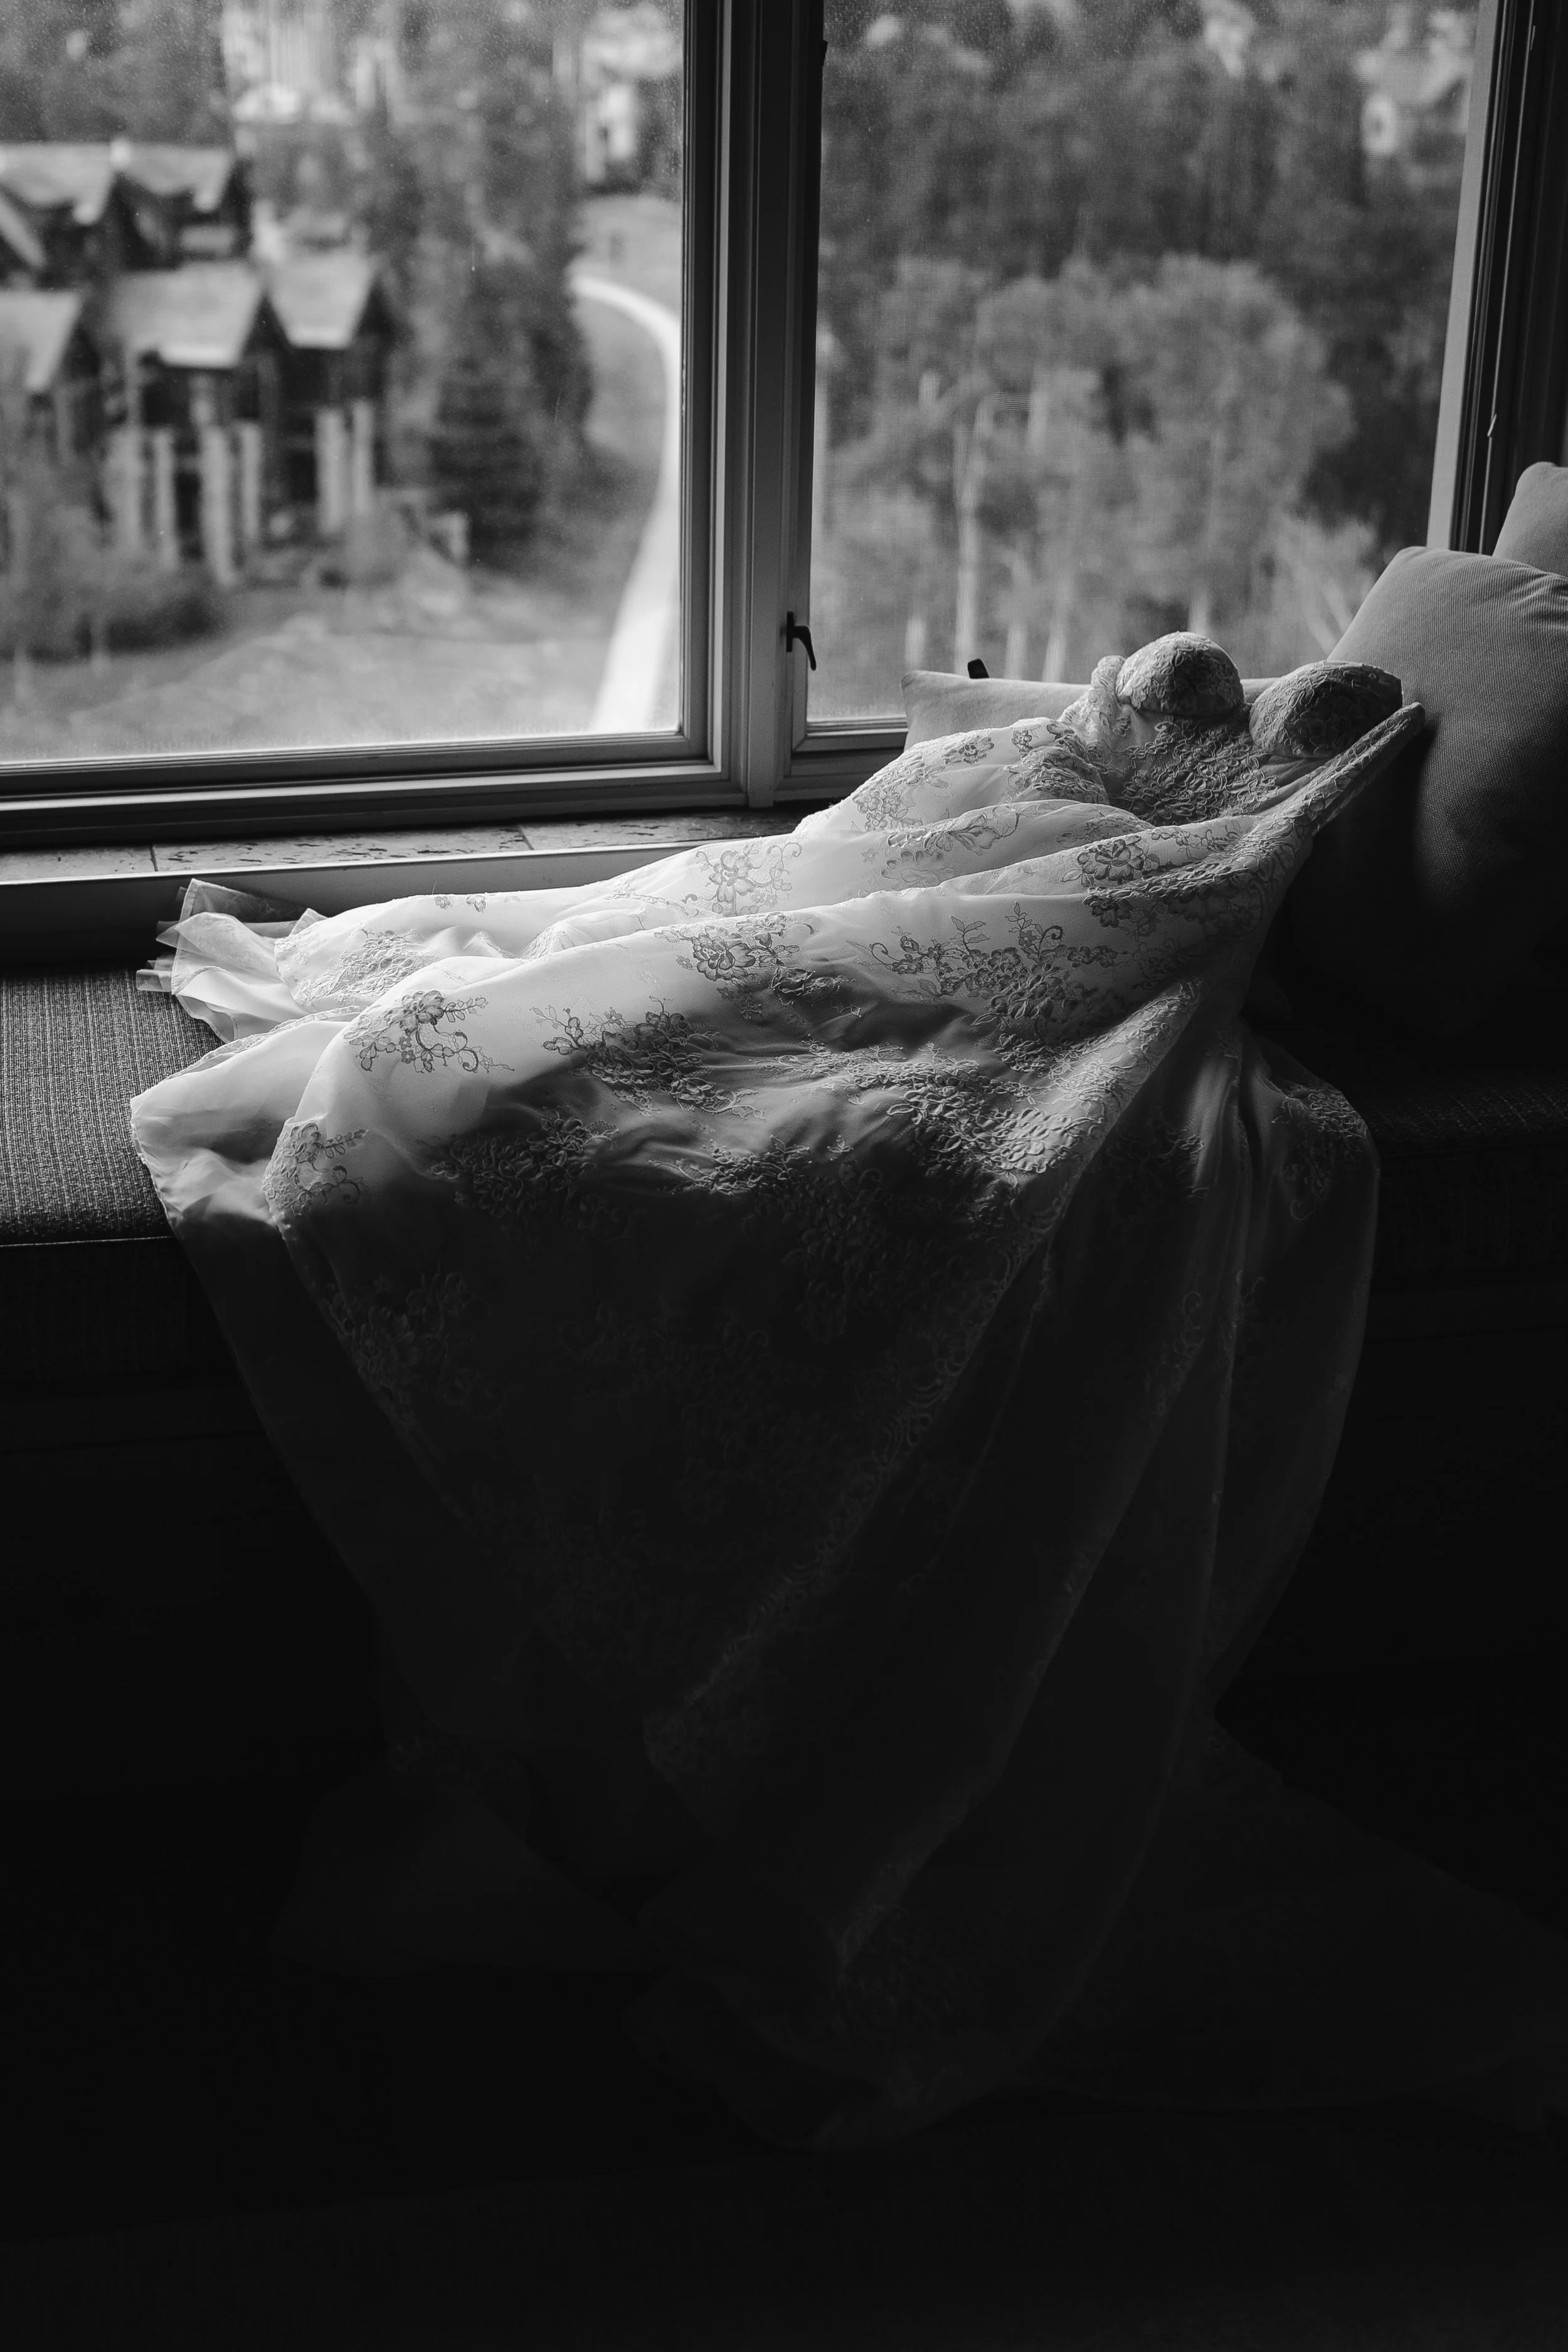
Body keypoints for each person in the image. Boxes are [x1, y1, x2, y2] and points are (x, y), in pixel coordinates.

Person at [131, 635, 1568, 2148]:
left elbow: (1227, 890)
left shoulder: (1358, 731)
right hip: (984, 846)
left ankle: (714, 1764)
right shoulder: (1289, 681)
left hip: (1117, 923)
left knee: (732, 1139)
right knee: (536, 1048)